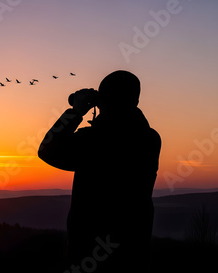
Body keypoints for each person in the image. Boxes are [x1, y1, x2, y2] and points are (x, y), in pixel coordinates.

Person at [38, 70, 161, 272]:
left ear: (105, 101)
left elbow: (47, 150)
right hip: (133, 251)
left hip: (89, 252)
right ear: (136, 100)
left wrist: (76, 112)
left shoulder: (93, 140)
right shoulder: (150, 139)